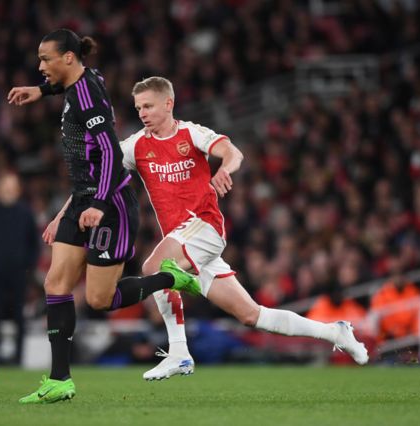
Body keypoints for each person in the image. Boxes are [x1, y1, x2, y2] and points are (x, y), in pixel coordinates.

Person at [116, 76, 369, 380]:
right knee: (252, 315)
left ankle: (179, 353)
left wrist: (224, 169)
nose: (142, 113)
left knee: (155, 266)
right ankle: (335, 332)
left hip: (204, 228)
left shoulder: (191, 133)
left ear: (168, 104)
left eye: (148, 106)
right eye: (138, 107)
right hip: (185, 241)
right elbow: (104, 166)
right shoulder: (136, 146)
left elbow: (232, 152)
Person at [7, 30, 200, 403]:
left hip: (109, 205)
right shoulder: (85, 78)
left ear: (67, 59)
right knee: (56, 284)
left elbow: (111, 152)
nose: (40, 66)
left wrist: (98, 202)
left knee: (99, 299)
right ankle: (60, 379)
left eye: (45, 59)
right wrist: (41, 90)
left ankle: (167, 277)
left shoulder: (88, 97)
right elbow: (80, 81)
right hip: (82, 199)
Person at [0, 172, 40, 365]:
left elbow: (33, 243)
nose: (9, 191)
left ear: (18, 190)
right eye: (6, 186)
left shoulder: (25, 212)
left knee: (19, 316)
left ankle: (18, 356)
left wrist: (28, 266)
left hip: (19, 273)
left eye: (12, 187)